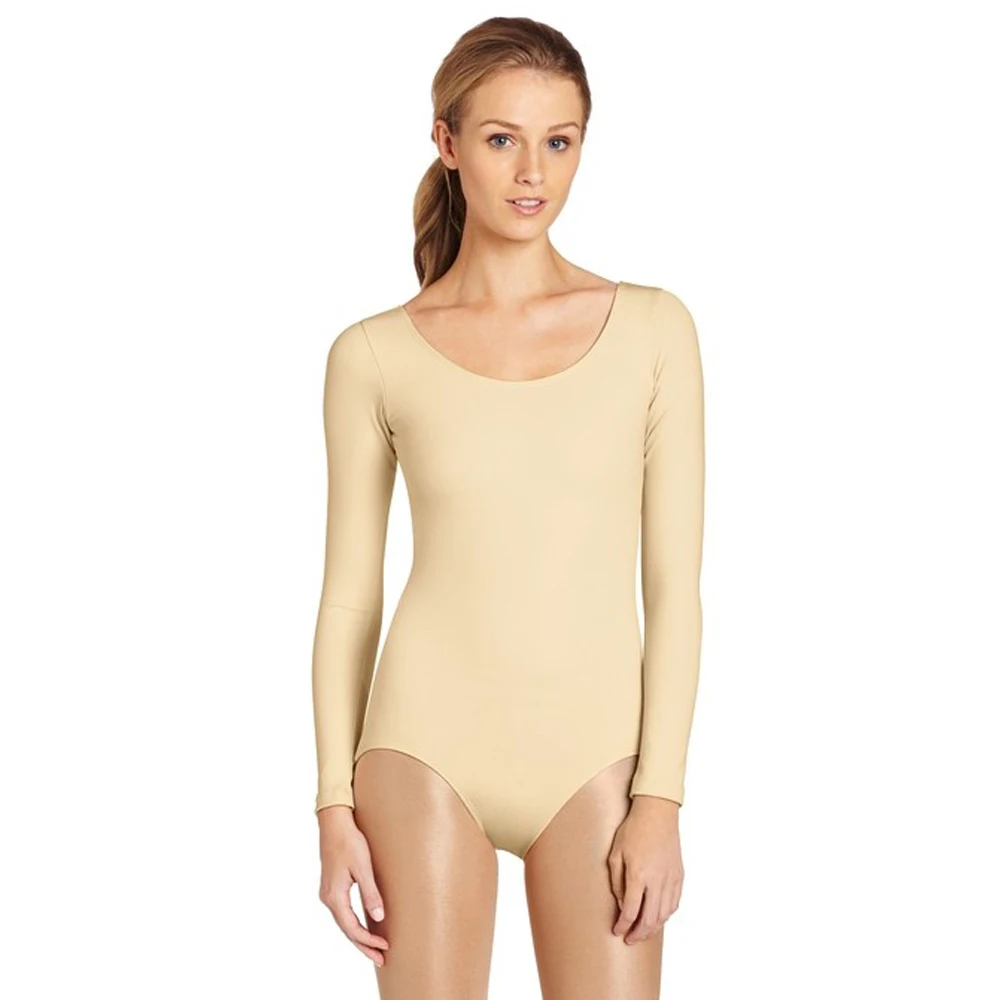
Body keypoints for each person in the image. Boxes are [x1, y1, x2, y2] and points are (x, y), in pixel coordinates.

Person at [311, 16, 705, 998]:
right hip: (421, 746)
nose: (533, 172)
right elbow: (350, 597)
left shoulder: (654, 331)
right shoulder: (372, 354)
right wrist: (331, 806)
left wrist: (660, 797)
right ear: (446, 143)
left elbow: (674, 589)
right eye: (501, 139)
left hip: (597, 756)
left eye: (558, 141)